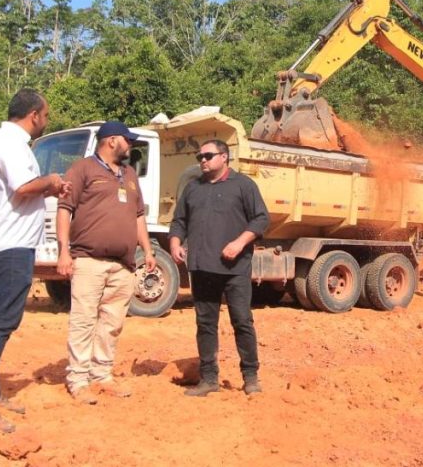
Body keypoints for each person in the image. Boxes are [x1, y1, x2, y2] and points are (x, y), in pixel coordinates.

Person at [0, 88, 68, 434]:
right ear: (34, 115)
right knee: (1, 322)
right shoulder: (10, 143)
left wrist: (46, 186)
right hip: (9, 245)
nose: (46, 121)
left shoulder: (5, 142)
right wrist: (51, 181)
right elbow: (22, 187)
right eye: (45, 115)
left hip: (6, 243)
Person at [56, 121, 156, 404]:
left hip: (123, 265)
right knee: (84, 321)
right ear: (112, 141)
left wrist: (148, 251)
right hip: (88, 260)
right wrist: (64, 251)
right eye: (128, 140)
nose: (131, 145)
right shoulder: (82, 169)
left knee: (112, 322)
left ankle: (102, 375)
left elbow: (138, 216)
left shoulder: (130, 174)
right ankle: (78, 379)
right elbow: (64, 209)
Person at [169, 139, 269, 396]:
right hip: (202, 267)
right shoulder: (193, 188)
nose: (202, 160)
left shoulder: (243, 185)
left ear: (224, 157)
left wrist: (239, 242)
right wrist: (175, 242)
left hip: (235, 268)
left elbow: (261, 219)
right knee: (205, 324)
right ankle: (209, 379)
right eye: (199, 157)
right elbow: (179, 221)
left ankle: (251, 377)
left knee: (242, 321)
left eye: (208, 155)